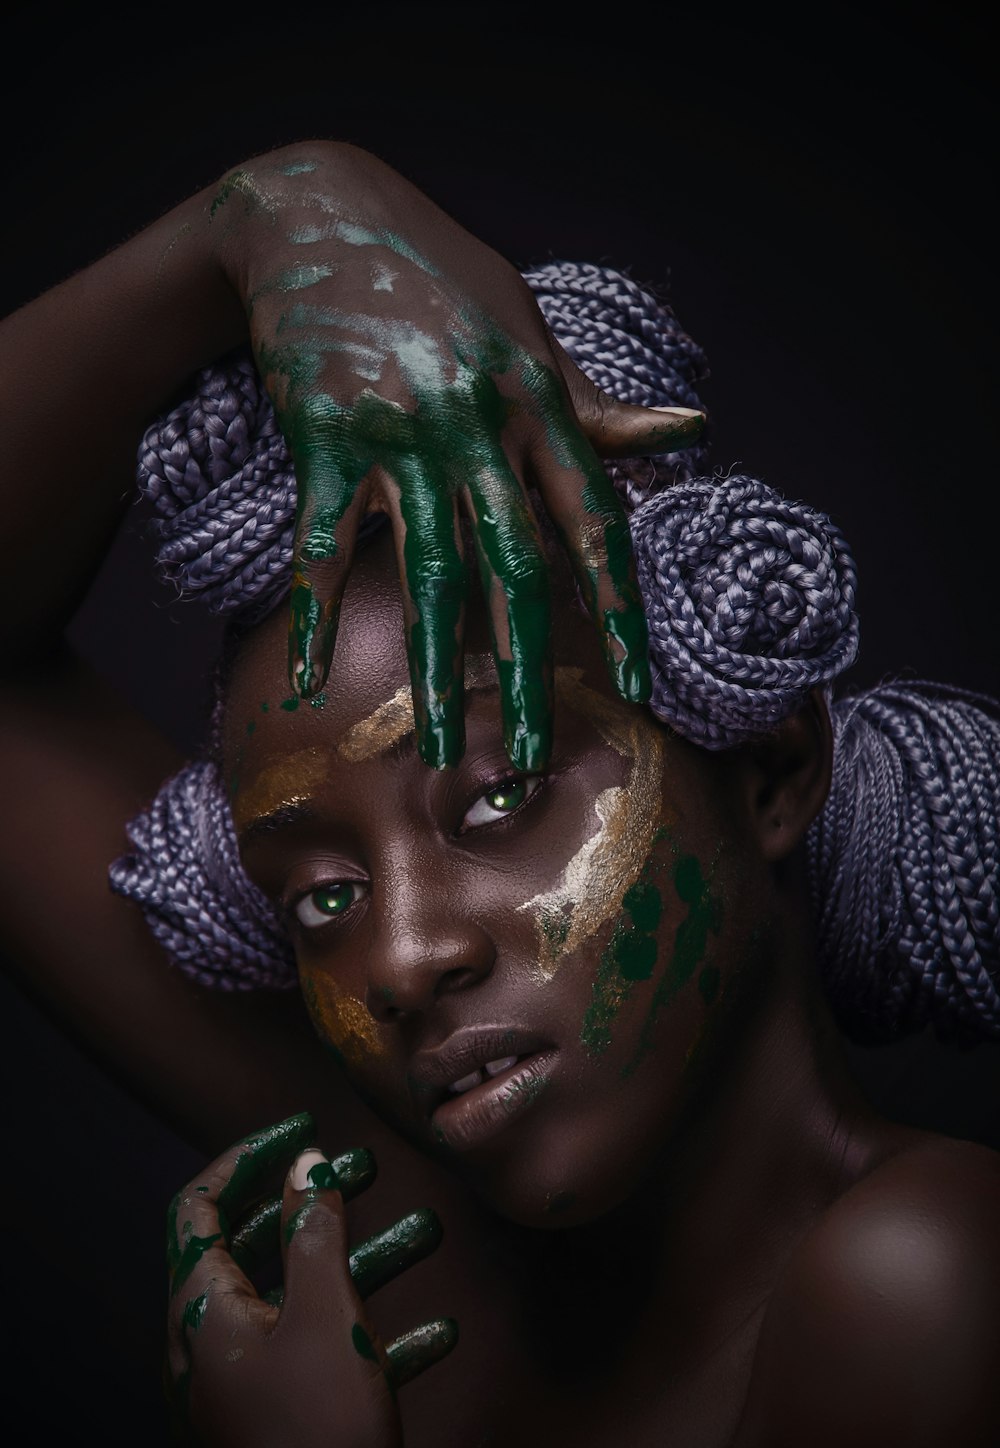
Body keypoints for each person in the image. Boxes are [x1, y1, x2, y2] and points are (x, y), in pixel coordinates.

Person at [2, 139, 999, 1448]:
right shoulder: (394, 1234)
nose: (401, 959)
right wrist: (262, 219)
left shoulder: (917, 1276)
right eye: (323, 897)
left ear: (771, 769)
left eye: (494, 799)